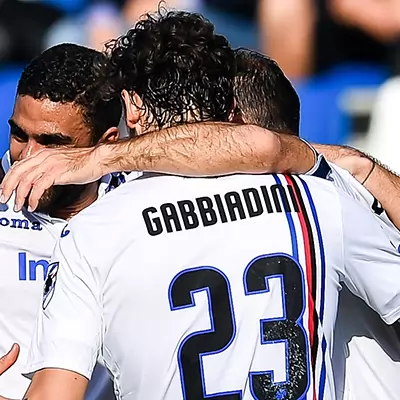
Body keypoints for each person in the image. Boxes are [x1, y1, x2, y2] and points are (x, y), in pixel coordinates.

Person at [18, 11, 400, 400]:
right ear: (229, 107)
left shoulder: (93, 230)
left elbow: (55, 394)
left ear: (131, 107)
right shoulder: (316, 198)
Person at [0, 43, 121, 400]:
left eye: (51, 142)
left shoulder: (137, 206)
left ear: (106, 144)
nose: (28, 157)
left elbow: (261, 147)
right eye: (19, 135)